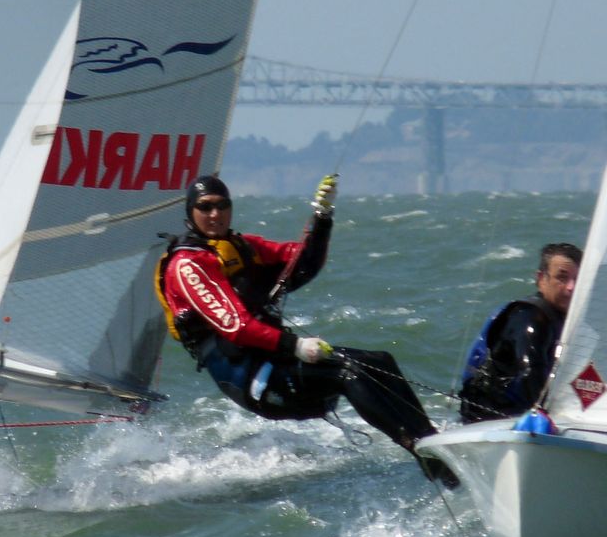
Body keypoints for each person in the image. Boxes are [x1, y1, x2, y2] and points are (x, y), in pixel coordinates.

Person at [156, 173, 455, 484]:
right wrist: (296, 346)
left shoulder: (243, 246)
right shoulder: (187, 265)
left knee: (380, 361)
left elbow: (302, 262)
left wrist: (323, 218)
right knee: (349, 373)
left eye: (222, 205)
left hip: (275, 359)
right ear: (190, 212)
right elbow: (237, 327)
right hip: (253, 380)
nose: (215, 214)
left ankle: (433, 441)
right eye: (205, 207)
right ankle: (422, 452)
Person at [457, 242, 583, 424]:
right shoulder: (528, 318)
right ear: (541, 279)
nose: (571, 287)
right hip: (489, 419)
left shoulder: (569, 321)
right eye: (562, 277)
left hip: (522, 415)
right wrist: (542, 414)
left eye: (578, 280)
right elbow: (531, 370)